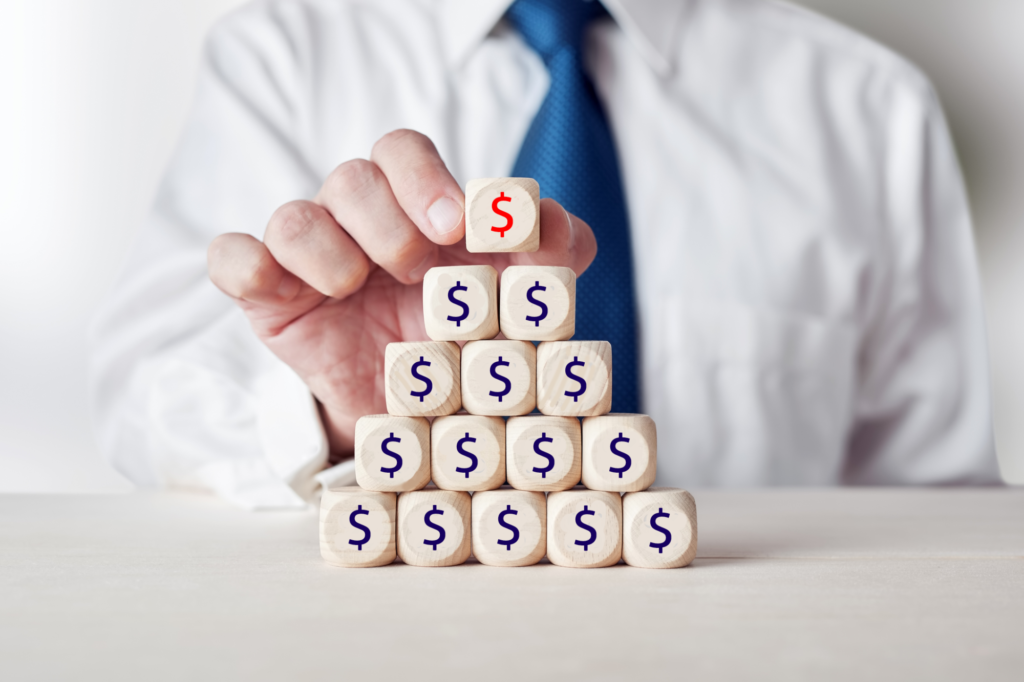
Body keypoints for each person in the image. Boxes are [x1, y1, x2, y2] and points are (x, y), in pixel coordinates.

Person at [89, 0, 1001, 509]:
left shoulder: (870, 108)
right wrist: (346, 415)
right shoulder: (281, 58)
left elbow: (942, 520)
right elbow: (139, 403)